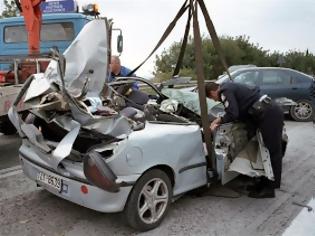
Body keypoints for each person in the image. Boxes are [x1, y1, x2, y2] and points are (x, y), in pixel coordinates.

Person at [205, 81, 284, 198]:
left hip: (268, 114)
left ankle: (270, 189)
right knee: (263, 151)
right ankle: (263, 182)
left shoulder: (225, 91)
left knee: (272, 151)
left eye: (213, 98)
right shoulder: (229, 86)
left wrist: (219, 120)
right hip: (266, 112)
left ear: (213, 92)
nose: (216, 101)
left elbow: (233, 113)